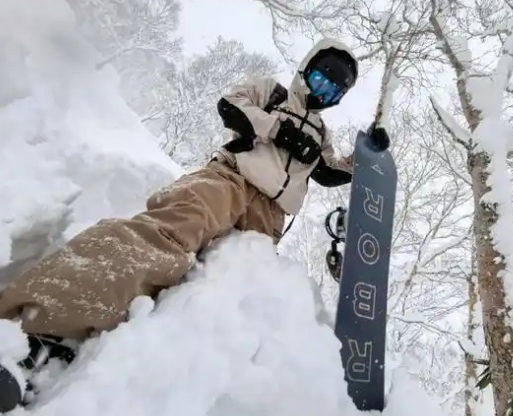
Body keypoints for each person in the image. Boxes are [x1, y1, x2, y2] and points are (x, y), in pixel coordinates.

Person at [0, 38, 373, 410]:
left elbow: (329, 172)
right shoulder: (271, 92)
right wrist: (277, 128)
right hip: (229, 180)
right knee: (164, 237)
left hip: (269, 218)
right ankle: (29, 326)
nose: (324, 90)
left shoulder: (322, 135)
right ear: (307, 70)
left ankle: (96, 353)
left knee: (225, 294)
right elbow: (231, 106)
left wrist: (364, 158)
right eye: (322, 78)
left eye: (335, 88)